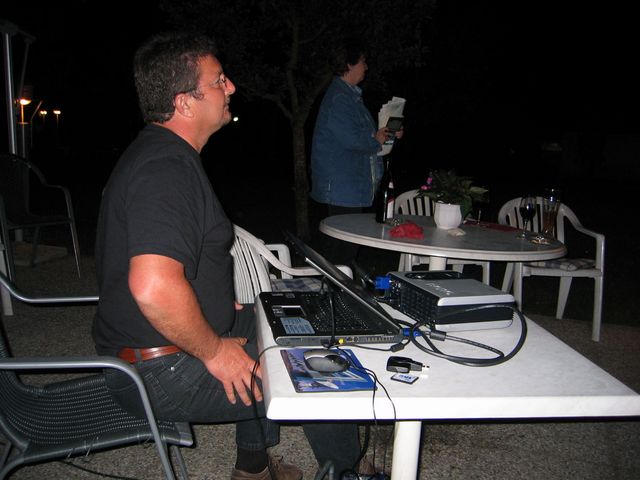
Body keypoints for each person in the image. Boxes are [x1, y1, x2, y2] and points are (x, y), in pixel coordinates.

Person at [92, 31, 361, 480]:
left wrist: (211, 299)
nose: (231, 87)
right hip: (160, 369)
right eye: (219, 80)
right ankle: (348, 471)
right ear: (184, 103)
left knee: (290, 318)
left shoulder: (162, 153)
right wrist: (216, 351)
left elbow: (175, 262)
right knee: (320, 369)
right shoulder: (165, 169)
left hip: (159, 347)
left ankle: (252, 467)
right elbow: (153, 286)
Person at [310, 38, 402, 265]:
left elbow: (366, 139)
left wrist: (387, 134)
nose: (366, 67)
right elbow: (353, 140)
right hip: (342, 186)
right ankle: (332, 286)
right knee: (341, 248)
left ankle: (334, 285)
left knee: (344, 248)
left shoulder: (350, 98)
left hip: (351, 186)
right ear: (349, 64)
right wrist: (377, 139)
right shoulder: (340, 99)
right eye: (362, 62)